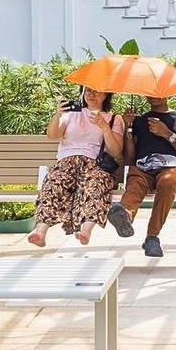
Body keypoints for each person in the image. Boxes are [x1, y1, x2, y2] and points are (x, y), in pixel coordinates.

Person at [27, 87, 124, 248]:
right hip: (66, 161)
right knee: (54, 183)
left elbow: (116, 151)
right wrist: (58, 114)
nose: (91, 94)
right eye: (88, 91)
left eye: (96, 91)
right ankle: (40, 232)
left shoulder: (114, 118)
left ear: (106, 94)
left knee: (96, 185)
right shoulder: (71, 113)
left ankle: (86, 231)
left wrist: (105, 127)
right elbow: (52, 135)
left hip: (94, 164)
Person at [105, 97, 176, 257]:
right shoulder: (140, 121)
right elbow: (129, 159)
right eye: (150, 93)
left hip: (171, 168)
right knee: (135, 180)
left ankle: (152, 237)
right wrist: (128, 128)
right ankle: (125, 215)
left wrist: (167, 133)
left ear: (168, 94)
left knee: (168, 181)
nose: (153, 96)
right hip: (143, 168)